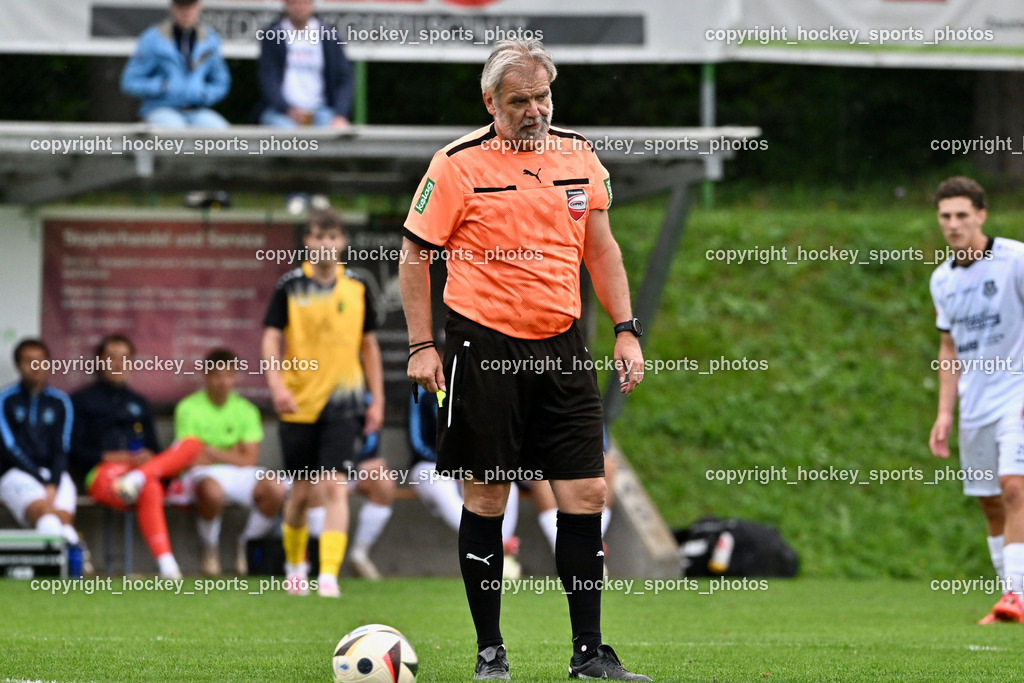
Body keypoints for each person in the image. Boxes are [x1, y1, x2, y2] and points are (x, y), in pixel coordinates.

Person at [400, 39, 650, 681]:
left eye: (543, 97)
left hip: (563, 348)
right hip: (483, 347)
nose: (535, 110)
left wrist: (626, 329)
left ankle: (589, 653)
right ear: (491, 103)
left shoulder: (579, 155)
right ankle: (491, 654)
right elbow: (414, 257)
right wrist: (423, 345)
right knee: (487, 497)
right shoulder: (455, 164)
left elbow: (602, 249)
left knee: (589, 489)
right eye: (520, 101)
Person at [262, 208, 385, 597]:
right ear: (307, 242)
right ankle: (295, 567)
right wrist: (276, 385)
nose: (325, 244)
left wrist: (377, 400)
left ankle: (328, 575)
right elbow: (270, 338)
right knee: (300, 493)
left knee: (334, 487)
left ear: (342, 242)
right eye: (318, 236)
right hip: (298, 404)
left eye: (332, 237)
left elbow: (369, 346)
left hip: (344, 404)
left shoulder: (359, 285)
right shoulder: (290, 284)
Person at [928, 176, 1024, 625]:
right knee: (989, 501)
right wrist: (945, 412)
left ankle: (1016, 596)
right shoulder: (942, 279)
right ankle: (1012, 595)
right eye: (945, 216)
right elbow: (948, 349)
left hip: (1016, 394)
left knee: (1013, 487)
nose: (953, 224)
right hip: (974, 404)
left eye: (962, 215)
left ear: (981, 215)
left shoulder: (1015, 259)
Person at [71, 334, 201, 579]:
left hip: (139, 473)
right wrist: (116, 458)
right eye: (112, 358)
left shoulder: (138, 402)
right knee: (149, 486)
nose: (118, 364)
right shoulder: (81, 400)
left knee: (191, 445)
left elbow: (156, 448)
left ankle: (139, 478)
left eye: (125, 358)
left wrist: (146, 457)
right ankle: (167, 564)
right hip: (103, 474)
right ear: (99, 361)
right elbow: (75, 450)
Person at [173, 348, 286, 576]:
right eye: (217, 375)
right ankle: (210, 549)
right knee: (211, 492)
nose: (224, 382)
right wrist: (233, 452)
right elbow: (191, 457)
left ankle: (245, 543)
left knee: (276, 488)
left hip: (239, 473)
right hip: (203, 473)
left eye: (229, 375)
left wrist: (212, 450)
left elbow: (249, 459)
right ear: (206, 376)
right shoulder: (187, 408)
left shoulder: (247, 410)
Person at [0, 339, 84, 554]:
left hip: (55, 475)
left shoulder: (61, 402)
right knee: (45, 514)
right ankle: (65, 565)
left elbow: (61, 447)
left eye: (40, 361)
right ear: (19, 365)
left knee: (63, 519)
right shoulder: (5, 400)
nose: (35, 367)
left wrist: (53, 482)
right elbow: (9, 448)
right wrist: (41, 480)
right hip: (16, 473)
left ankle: (71, 569)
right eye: (29, 361)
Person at [120, 0, 231, 128]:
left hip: (196, 110)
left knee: (220, 131)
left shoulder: (210, 39)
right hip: (160, 109)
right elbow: (130, 81)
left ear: (198, 8)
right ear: (172, 8)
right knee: (174, 130)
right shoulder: (152, 39)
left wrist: (204, 93)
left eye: (190, 7)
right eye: (181, 7)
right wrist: (161, 86)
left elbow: (221, 82)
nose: (186, 13)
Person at [257, 0, 353, 128]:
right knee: (287, 138)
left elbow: (344, 78)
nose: (299, 8)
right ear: (286, 5)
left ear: (312, 5)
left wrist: (340, 114)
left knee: (335, 132)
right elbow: (268, 79)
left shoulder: (328, 36)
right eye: (294, 3)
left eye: (304, 3)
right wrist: (287, 109)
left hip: (321, 110)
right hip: (281, 112)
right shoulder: (272, 36)